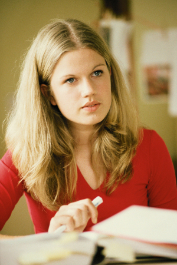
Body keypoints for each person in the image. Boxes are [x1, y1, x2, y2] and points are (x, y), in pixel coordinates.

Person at [0, 18, 177, 238]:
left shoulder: (149, 146)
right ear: (48, 94)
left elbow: (172, 242)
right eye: (71, 80)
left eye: (97, 73)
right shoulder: (23, 156)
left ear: (110, 74)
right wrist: (48, 242)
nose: (89, 90)